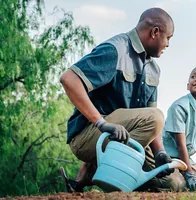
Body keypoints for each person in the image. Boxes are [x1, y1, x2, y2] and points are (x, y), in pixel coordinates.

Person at [59, 7, 175, 192]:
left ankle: (103, 174)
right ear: (155, 32)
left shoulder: (154, 69)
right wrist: (101, 123)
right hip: (90, 136)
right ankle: (93, 168)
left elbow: (152, 125)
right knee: (155, 117)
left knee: (173, 184)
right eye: (168, 38)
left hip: (126, 136)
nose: (168, 44)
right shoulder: (115, 49)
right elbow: (69, 79)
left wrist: (159, 151)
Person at [145, 66, 196, 191]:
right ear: (188, 85)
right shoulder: (179, 106)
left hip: (183, 160)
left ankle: (176, 177)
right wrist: (189, 174)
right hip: (164, 156)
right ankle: (147, 181)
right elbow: (181, 145)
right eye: (193, 77)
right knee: (175, 184)